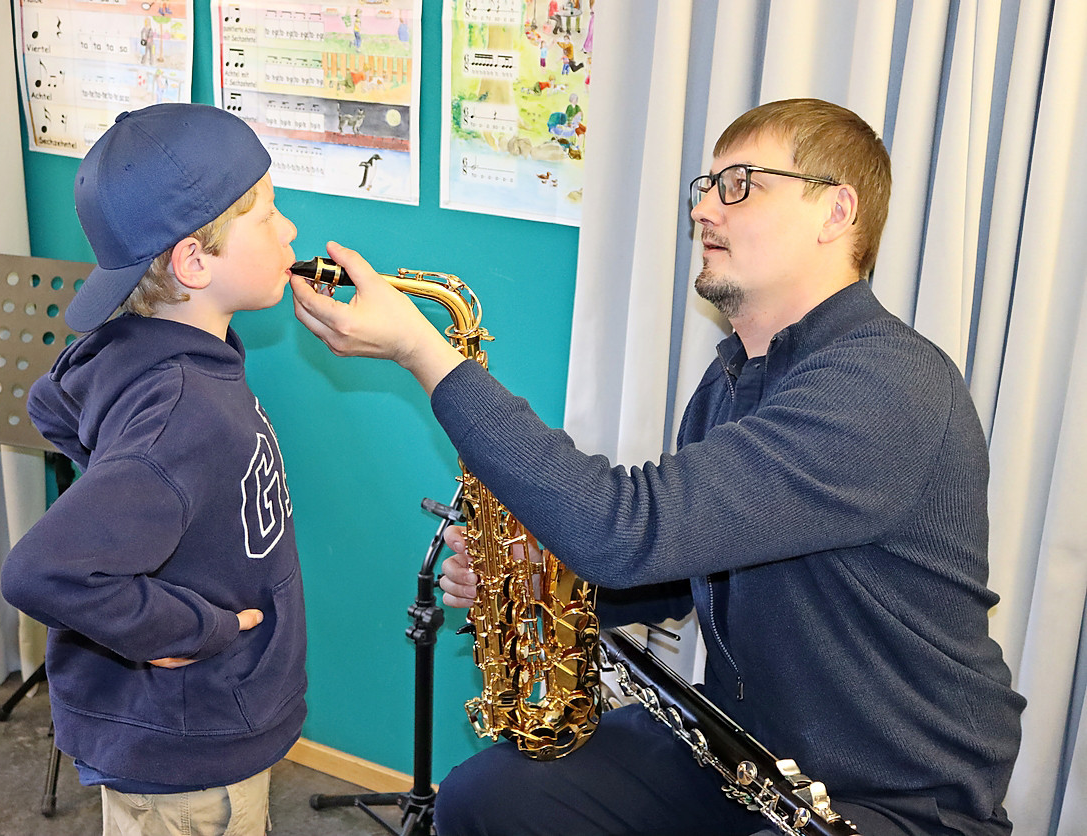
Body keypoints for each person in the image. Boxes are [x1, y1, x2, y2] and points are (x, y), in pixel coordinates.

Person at [289, 98, 1025, 836]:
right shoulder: (738, 375)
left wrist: (426, 354)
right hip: (742, 754)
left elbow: (629, 530)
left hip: (895, 797)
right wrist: (532, 582)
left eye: (740, 183)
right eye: (704, 186)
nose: (705, 207)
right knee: (487, 798)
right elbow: (673, 571)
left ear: (836, 211)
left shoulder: (885, 385)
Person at [1, 103, 304, 836]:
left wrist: (123, 477)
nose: (289, 229)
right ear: (192, 262)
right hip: (191, 760)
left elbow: (53, 403)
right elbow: (40, 572)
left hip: (190, 732)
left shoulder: (141, 349)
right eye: (265, 215)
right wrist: (188, 628)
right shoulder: (183, 414)